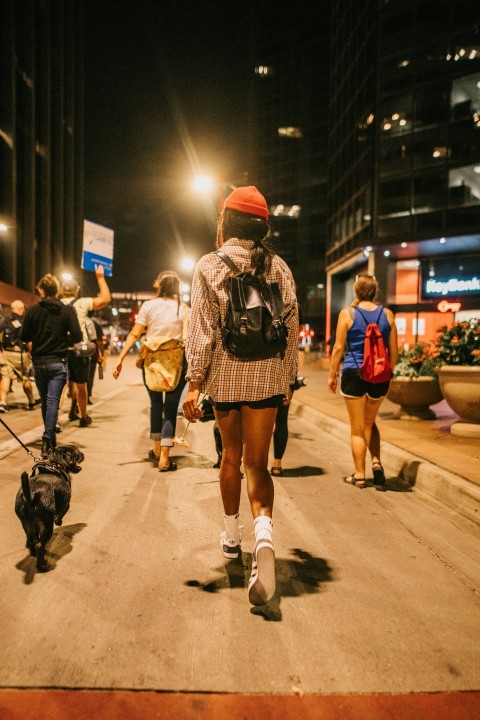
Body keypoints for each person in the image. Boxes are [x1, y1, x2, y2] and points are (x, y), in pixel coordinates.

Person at [182, 186, 299, 606]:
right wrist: (288, 380)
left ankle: (232, 538)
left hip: (226, 379)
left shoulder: (210, 266)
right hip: (267, 377)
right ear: (262, 226)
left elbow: (202, 331)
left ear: (226, 222)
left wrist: (195, 383)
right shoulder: (280, 267)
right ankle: (263, 535)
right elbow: (290, 327)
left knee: (230, 458)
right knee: (258, 463)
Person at [112, 270, 188, 472]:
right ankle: (164, 457)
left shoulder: (149, 306)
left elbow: (135, 333)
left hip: (152, 361)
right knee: (170, 408)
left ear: (158, 286)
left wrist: (120, 359)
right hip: (176, 362)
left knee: (155, 404)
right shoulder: (184, 308)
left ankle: (156, 450)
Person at [327, 274, 398, 487]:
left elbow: (339, 347)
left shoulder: (347, 314)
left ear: (356, 291)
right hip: (379, 376)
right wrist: (387, 372)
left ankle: (359, 475)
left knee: (357, 428)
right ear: (375, 291)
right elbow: (394, 351)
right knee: (370, 421)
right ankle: (376, 462)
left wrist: (332, 374)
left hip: (354, 373)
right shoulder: (388, 314)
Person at [20, 274, 83, 456]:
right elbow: (78, 337)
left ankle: (49, 437)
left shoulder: (32, 311)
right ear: (58, 291)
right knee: (53, 401)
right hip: (59, 362)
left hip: (39, 362)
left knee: (46, 401)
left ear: (41, 290)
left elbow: (24, 337)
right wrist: (64, 336)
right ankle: (49, 437)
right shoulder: (67, 311)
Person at [60, 265, 111, 427]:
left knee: (60, 386)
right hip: (79, 351)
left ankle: (54, 421)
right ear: (77, 290)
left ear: (61, 290)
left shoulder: (56, 303)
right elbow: (105, 299)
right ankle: (83, 416)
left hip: (60, 350)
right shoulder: (82, 303)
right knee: (81, 385)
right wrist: (100, 277)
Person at [0, 300, 36, 412]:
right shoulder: (25, 321)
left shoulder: (4, 320)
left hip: (7, 353)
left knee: (5, 376)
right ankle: (31, 401)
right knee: (25, 379)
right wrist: (32, 353)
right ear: (21, 309)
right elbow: (29, 340)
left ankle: (3, 402)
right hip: (22, 356)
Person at [86, 314, 105, 404]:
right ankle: (87, 396)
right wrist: (102, 354)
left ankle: (75, 397)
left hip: (78, 352)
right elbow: (99, 341)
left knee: (77, 377)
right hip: (92, 353)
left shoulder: (78, 322)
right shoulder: (96, 325)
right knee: (90, 376)